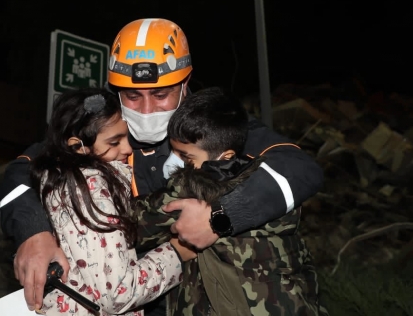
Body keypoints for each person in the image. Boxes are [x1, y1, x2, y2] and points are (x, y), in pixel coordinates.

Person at [0, 18, 325, 314]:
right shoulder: (102, 133)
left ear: (186, 84)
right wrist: (33, 233)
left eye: (161, 94)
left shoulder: (210, 128)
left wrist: (220, 217)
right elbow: (24, 168)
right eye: (132, 96)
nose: (147, 108)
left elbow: (298, 167)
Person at [133, 86, 327, 315]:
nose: (177, 162)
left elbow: (138, 223)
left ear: (225, 156)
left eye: (186, 156)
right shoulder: (266, 179)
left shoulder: (192, 189)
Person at [29, 87, 194, 315]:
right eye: (114, 142)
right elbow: (117, 294)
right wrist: (176, 253)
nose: (127, 149)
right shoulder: (90, 188)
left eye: (127, 137)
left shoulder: (65, 180)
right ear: (78, 146)